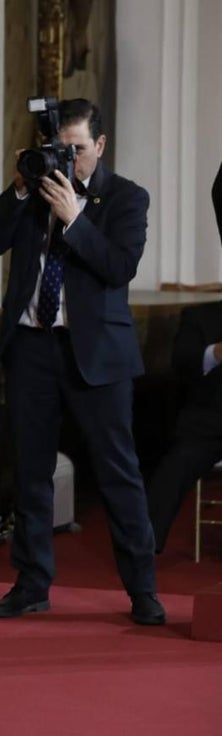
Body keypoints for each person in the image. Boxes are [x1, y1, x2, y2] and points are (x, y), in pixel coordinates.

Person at [0, 98, 165, 625]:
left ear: (99, 145)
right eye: (60, 148)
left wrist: (75, 220)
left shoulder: (127, 197)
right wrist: (20, 188)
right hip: (31, 346)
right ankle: (31, 583)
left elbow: (119, 267)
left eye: (77, 149)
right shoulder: (33, 190)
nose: (68, 159)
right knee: (30, 471)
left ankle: (143, 590)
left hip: (97, 355)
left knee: (119, 473)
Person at [146, 161, 222, 552]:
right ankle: (143, 548)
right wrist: (218, 352)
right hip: (210, 424)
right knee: (174, 467)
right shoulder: (203, 313)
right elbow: (183, 362)